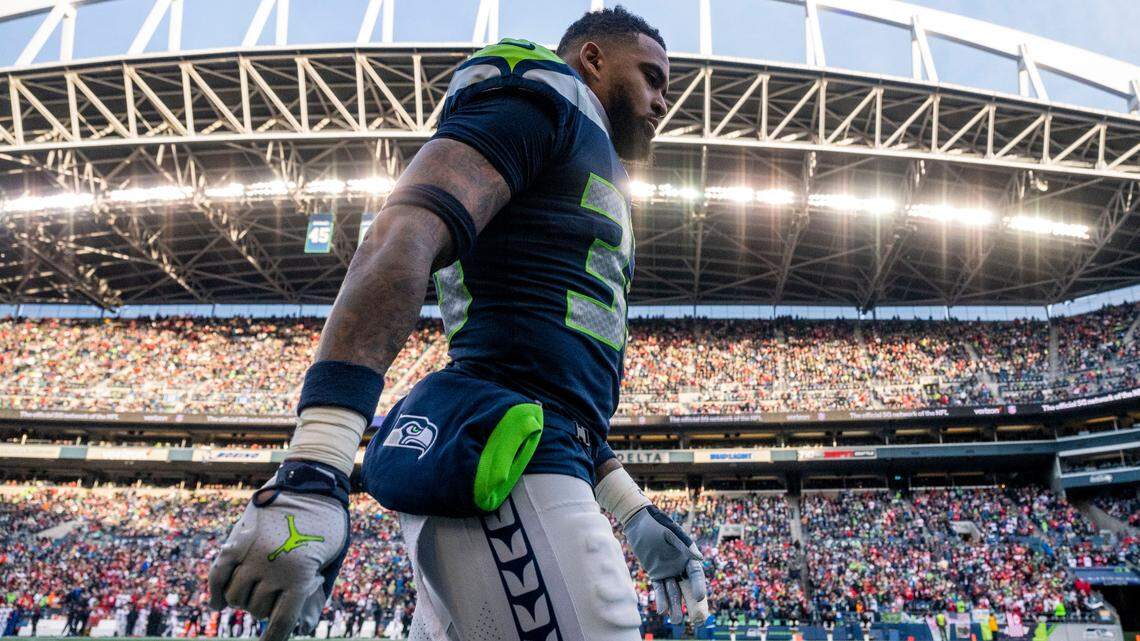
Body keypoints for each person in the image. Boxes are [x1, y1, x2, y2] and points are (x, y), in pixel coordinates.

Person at [208, 5, 709, 641]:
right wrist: (317, 462)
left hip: (535, 449)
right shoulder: (540, 99)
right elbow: (401, 232)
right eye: (652, 77)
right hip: (508, 460)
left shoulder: (583, 149)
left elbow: (555, 381)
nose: (663, 99)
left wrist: (630, 508)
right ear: (592, 59)